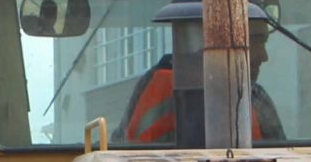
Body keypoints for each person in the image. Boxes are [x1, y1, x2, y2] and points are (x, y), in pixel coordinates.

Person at [120, 36, 285, 145]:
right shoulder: (253, 97)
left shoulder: (153, 85)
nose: (264, 56)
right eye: (255, 41)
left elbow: (122, 143)